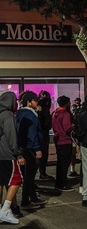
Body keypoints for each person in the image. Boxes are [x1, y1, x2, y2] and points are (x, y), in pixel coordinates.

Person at [16, 91, 47, 210]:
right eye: (35, 101)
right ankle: (25, 201)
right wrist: (37, 148)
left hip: (24, 148)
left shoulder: (20, 113)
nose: (37, 103)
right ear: (29, 102)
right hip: (30, 148)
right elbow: (32, 132)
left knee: (28, 175)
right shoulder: (29, 115)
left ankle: (33, 198)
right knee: (29, 176)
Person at [0, 91, 25, 224]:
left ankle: (2, 210)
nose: (16, 103)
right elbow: (12, 137)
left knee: (1, 181)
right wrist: (18, 154)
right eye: (15, 101)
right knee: (16, 180)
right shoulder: (8, 115)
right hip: (7, 154)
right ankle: (5, 210)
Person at [52, 95, 74, 191]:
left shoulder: (54, 112)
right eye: (69, 102)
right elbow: (67, 128)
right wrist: (74, 126)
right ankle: (62, 184)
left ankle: (59, 183)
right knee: (64, 163)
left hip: (57, 139)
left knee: (60, 163)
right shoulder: (65, 113)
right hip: (65, 139)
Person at [37, 90, 54, 181]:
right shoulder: (43, 106)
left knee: (43, 153)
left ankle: (42, 172)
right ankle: (42, 173)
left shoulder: (43, 106)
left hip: (43, 131)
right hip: (42, 131)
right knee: (43, 153)